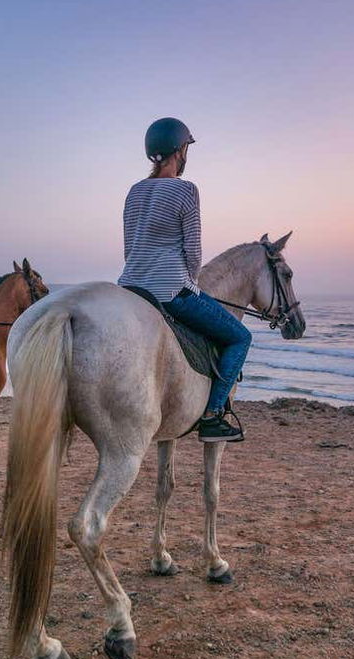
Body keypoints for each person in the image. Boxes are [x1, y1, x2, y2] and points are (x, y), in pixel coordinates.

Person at [117, 117, 251, 443]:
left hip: (130, 289)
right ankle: (213, 415)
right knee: (239, 338)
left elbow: (128, 249)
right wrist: (190, 282)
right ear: (180, 150)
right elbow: (193, 253)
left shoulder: (134, 192)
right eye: (186, 147)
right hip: (171, 291)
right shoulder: (186, 190)